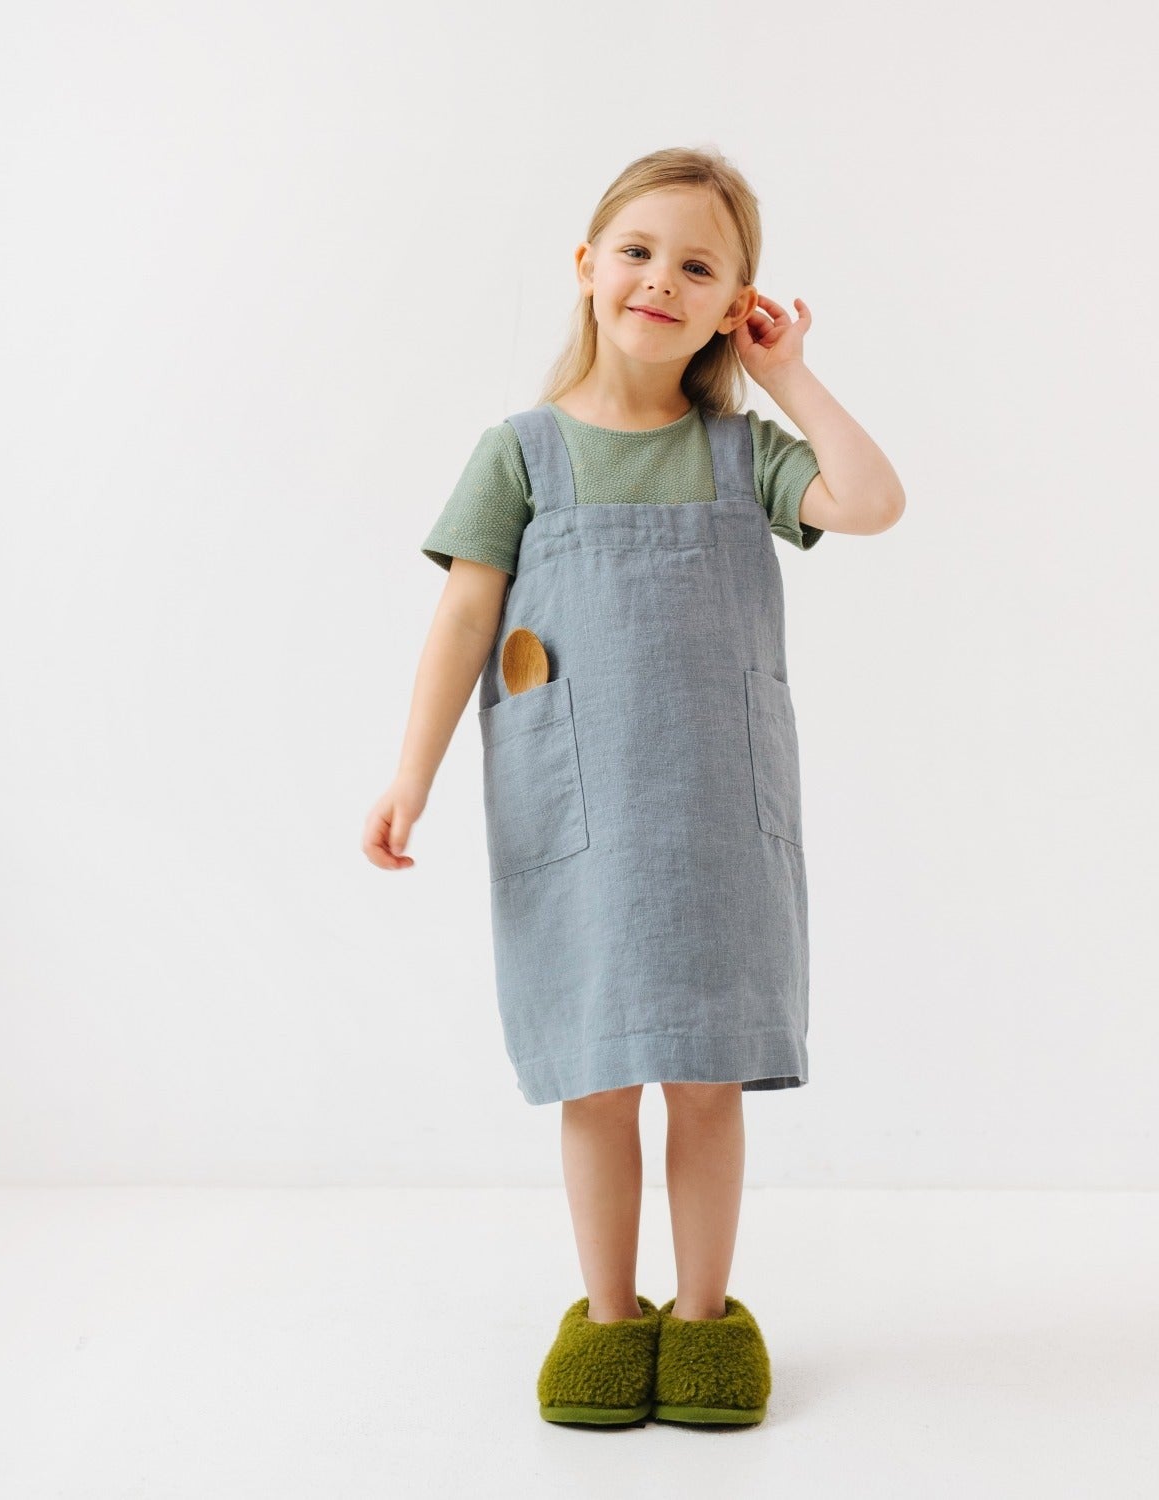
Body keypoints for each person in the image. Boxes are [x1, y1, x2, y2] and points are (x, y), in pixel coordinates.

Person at [362, 145, 906, 1428]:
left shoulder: (741, 452)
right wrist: (411, 778)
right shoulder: (522, 455)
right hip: (577, 821)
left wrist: (789, 373)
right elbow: (460, 622)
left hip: (717, 821)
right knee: (598, 1082)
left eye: (702, 267)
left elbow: (873, 500)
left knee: (707, 1080)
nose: (662, 279)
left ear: (737, 306)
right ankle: (611, 1322)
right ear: (588, 266)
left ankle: (706, 1323)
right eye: (641, 250)